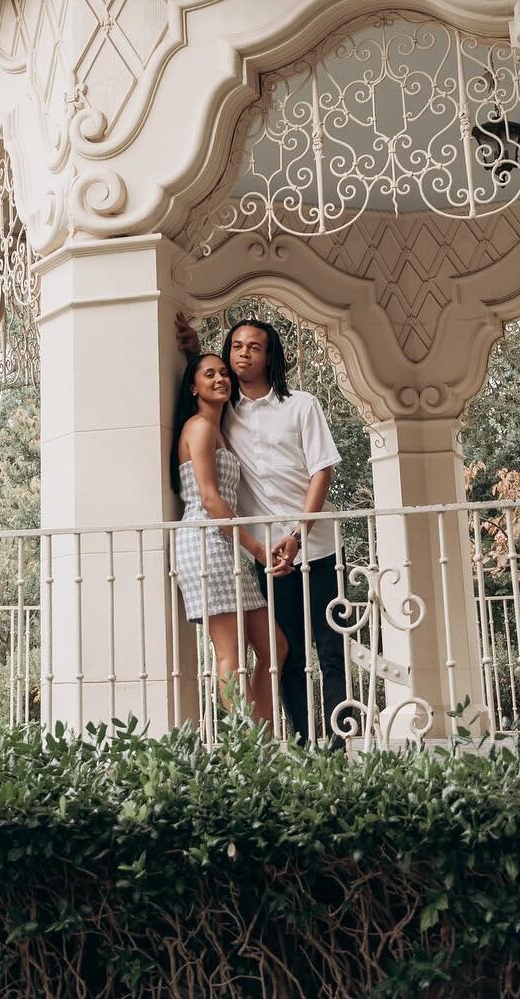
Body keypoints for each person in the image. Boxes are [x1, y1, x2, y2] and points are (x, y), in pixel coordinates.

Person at [178, 314, 349, 745]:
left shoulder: (302, 405)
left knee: (331, 652)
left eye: (253, 346)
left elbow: (321, 471)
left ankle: (337, 744)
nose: (242, 355)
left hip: (317, 546)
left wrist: (297, 535)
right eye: (235, 346)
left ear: (269, 354)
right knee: (285, 655)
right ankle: (306, 743)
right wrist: (193, 349)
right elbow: (204, 379)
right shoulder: (223, 413)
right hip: (265, 558)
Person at [171, 351, 286, 729]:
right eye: (210, 375)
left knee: (274, 647)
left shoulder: (217, 425)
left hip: (225, 544)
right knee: (230, 653)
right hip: (206, 542)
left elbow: (203, 372)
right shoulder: (200, 428)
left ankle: (263, 738)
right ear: (193, 386)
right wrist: (255, 548)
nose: (221, 378)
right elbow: (209, 498)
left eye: (225, 373)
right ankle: (250, 747)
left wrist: (192, 346)